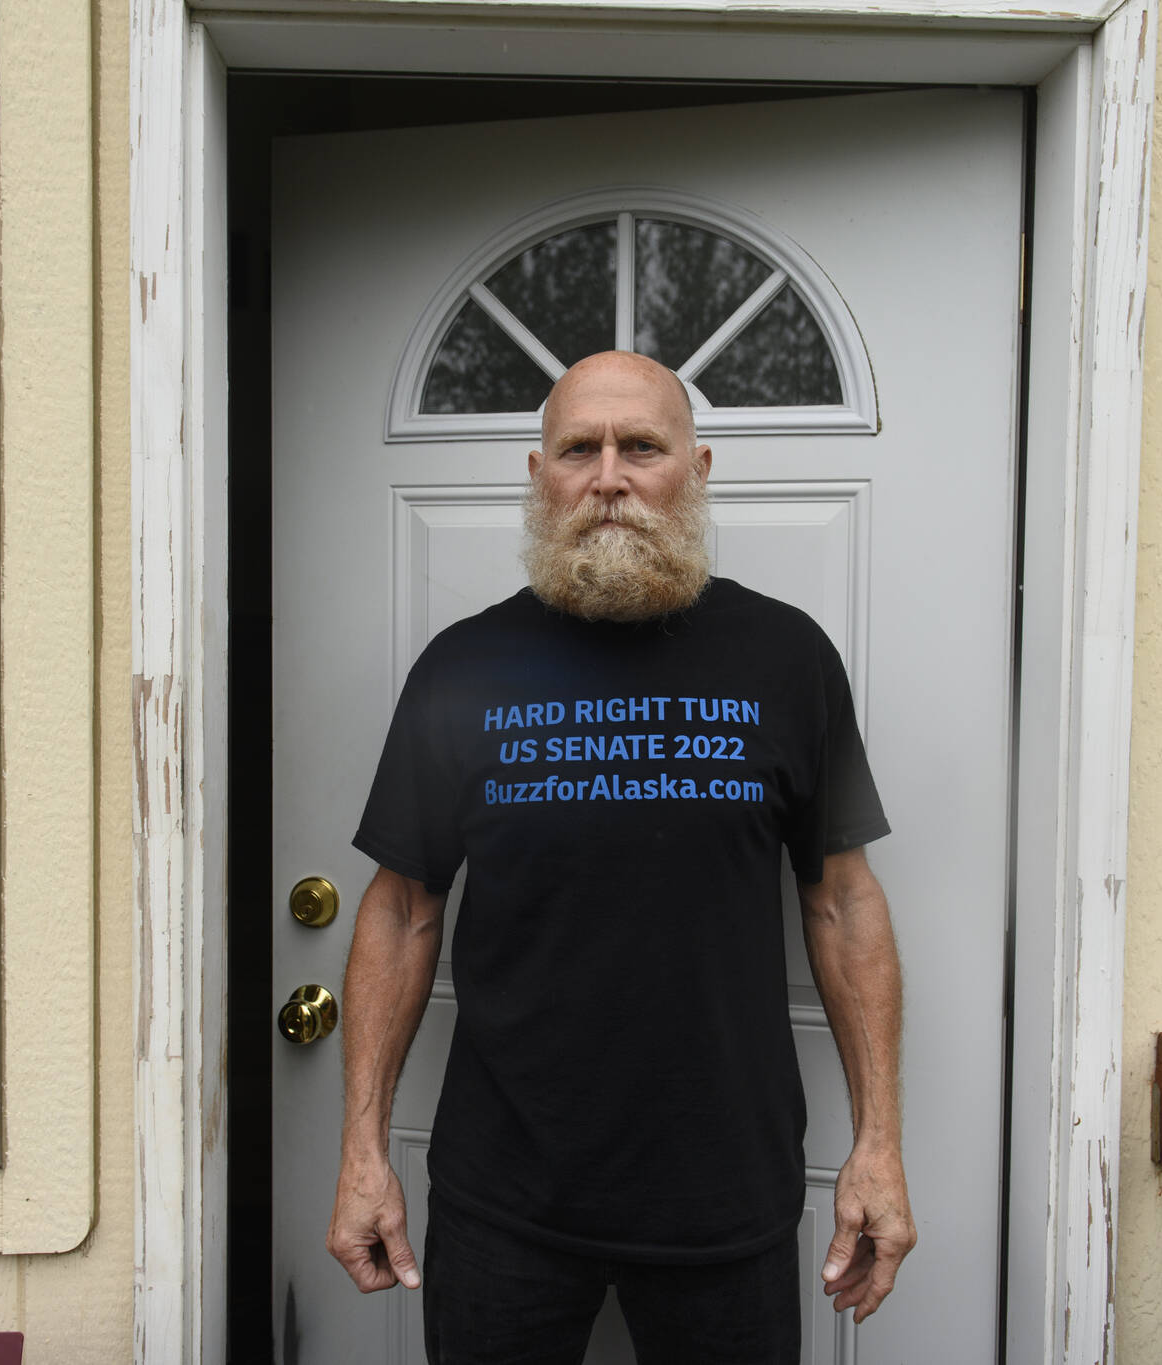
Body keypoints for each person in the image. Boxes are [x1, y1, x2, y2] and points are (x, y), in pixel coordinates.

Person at [326, 350, 916, 1363]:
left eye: (640, 446)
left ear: (696, 467)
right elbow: (401, 911)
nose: (608, 476)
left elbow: (841, 904)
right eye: (578, 449)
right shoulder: (462, 668)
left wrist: (878, 1147)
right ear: (536, 472)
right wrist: (361, 1151)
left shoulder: (785, 659)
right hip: (502, 1201)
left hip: (725, 1199)